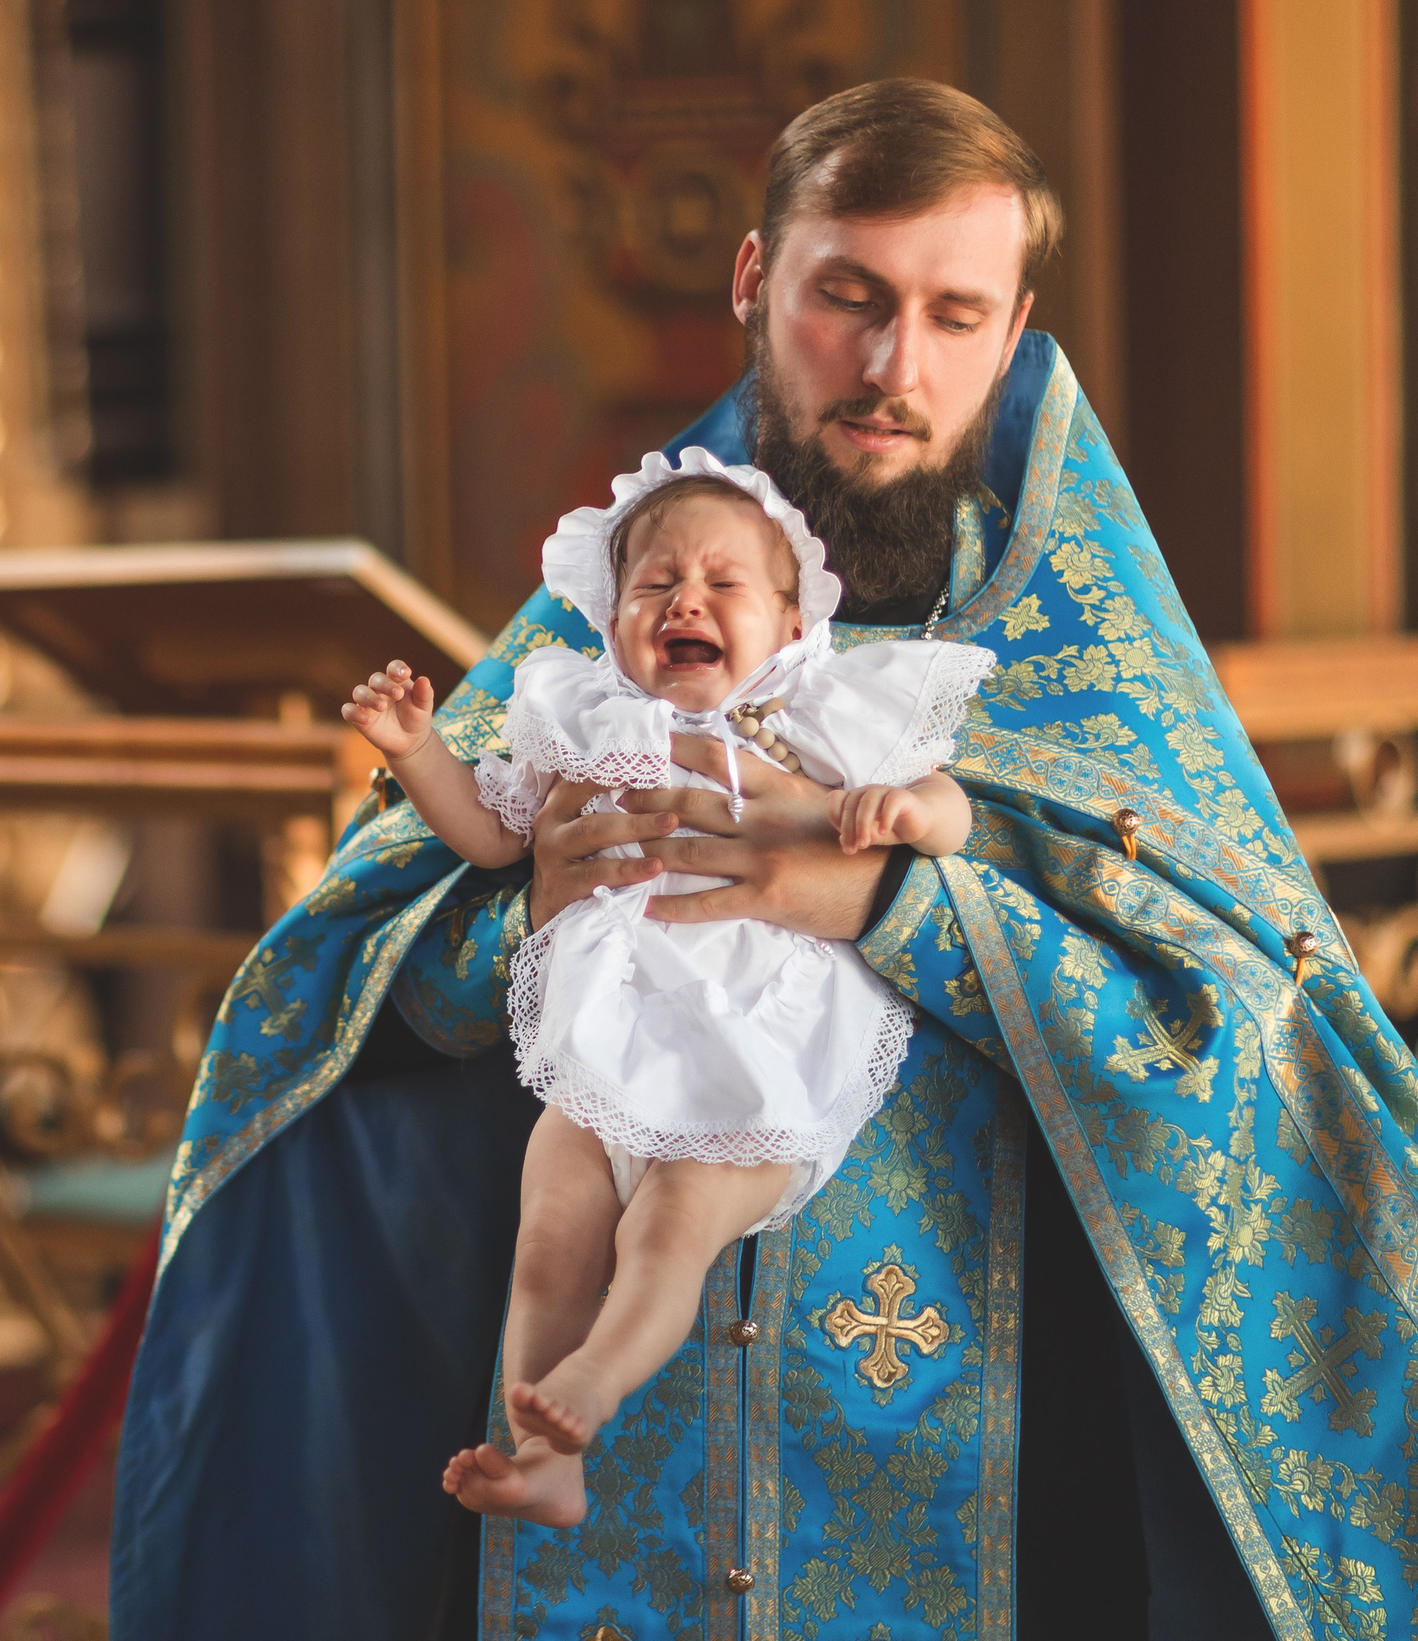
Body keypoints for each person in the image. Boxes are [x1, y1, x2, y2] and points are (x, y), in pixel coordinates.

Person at [111, 79, 1418, 1641]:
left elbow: (1255, 1038)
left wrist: (896, 912)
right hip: (619, 1470)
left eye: (950, 314)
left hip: (992, 1483)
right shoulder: (618, 619)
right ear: (757, 279)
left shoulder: (1092, 672)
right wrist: (526, 907)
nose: (894, 368)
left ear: (1015, 329)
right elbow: (347, 991)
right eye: (851, 296)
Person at [339, 455, 988, 1526]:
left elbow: (947, 798)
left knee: (667, 1230)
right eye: (653, 585)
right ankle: (542, 1457)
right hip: (608, 1041)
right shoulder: (583, 716)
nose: (684, 597)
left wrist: (907, 814)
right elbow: (491, 832)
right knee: (548, 1233)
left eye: (722, 583)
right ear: (611, 619)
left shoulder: (815, 716)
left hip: (759, 1055)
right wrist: (417, 751)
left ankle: (593, 1383)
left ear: (790, 624)